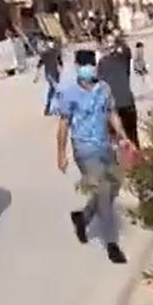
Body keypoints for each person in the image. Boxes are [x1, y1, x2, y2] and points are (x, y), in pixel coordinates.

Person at [57, 50, 131, 264]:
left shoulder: (104, 88)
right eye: (84, 64)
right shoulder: (70, 93)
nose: (88, 68)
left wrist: (123, 136)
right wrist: (61, 153)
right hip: (84, 149)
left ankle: (84, 217)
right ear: (77, 67)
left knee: (115, 185)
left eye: (91, 64)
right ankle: (112, 244)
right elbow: (63, 124)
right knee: (103, 191)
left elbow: (111, 113)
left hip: (105, 145)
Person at [97, 43, 139, 147]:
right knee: (132, 137)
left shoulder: (102, 63)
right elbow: (127, 51)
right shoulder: (122, 60)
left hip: (113, 106)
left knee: (115, 140)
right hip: (127, 103)